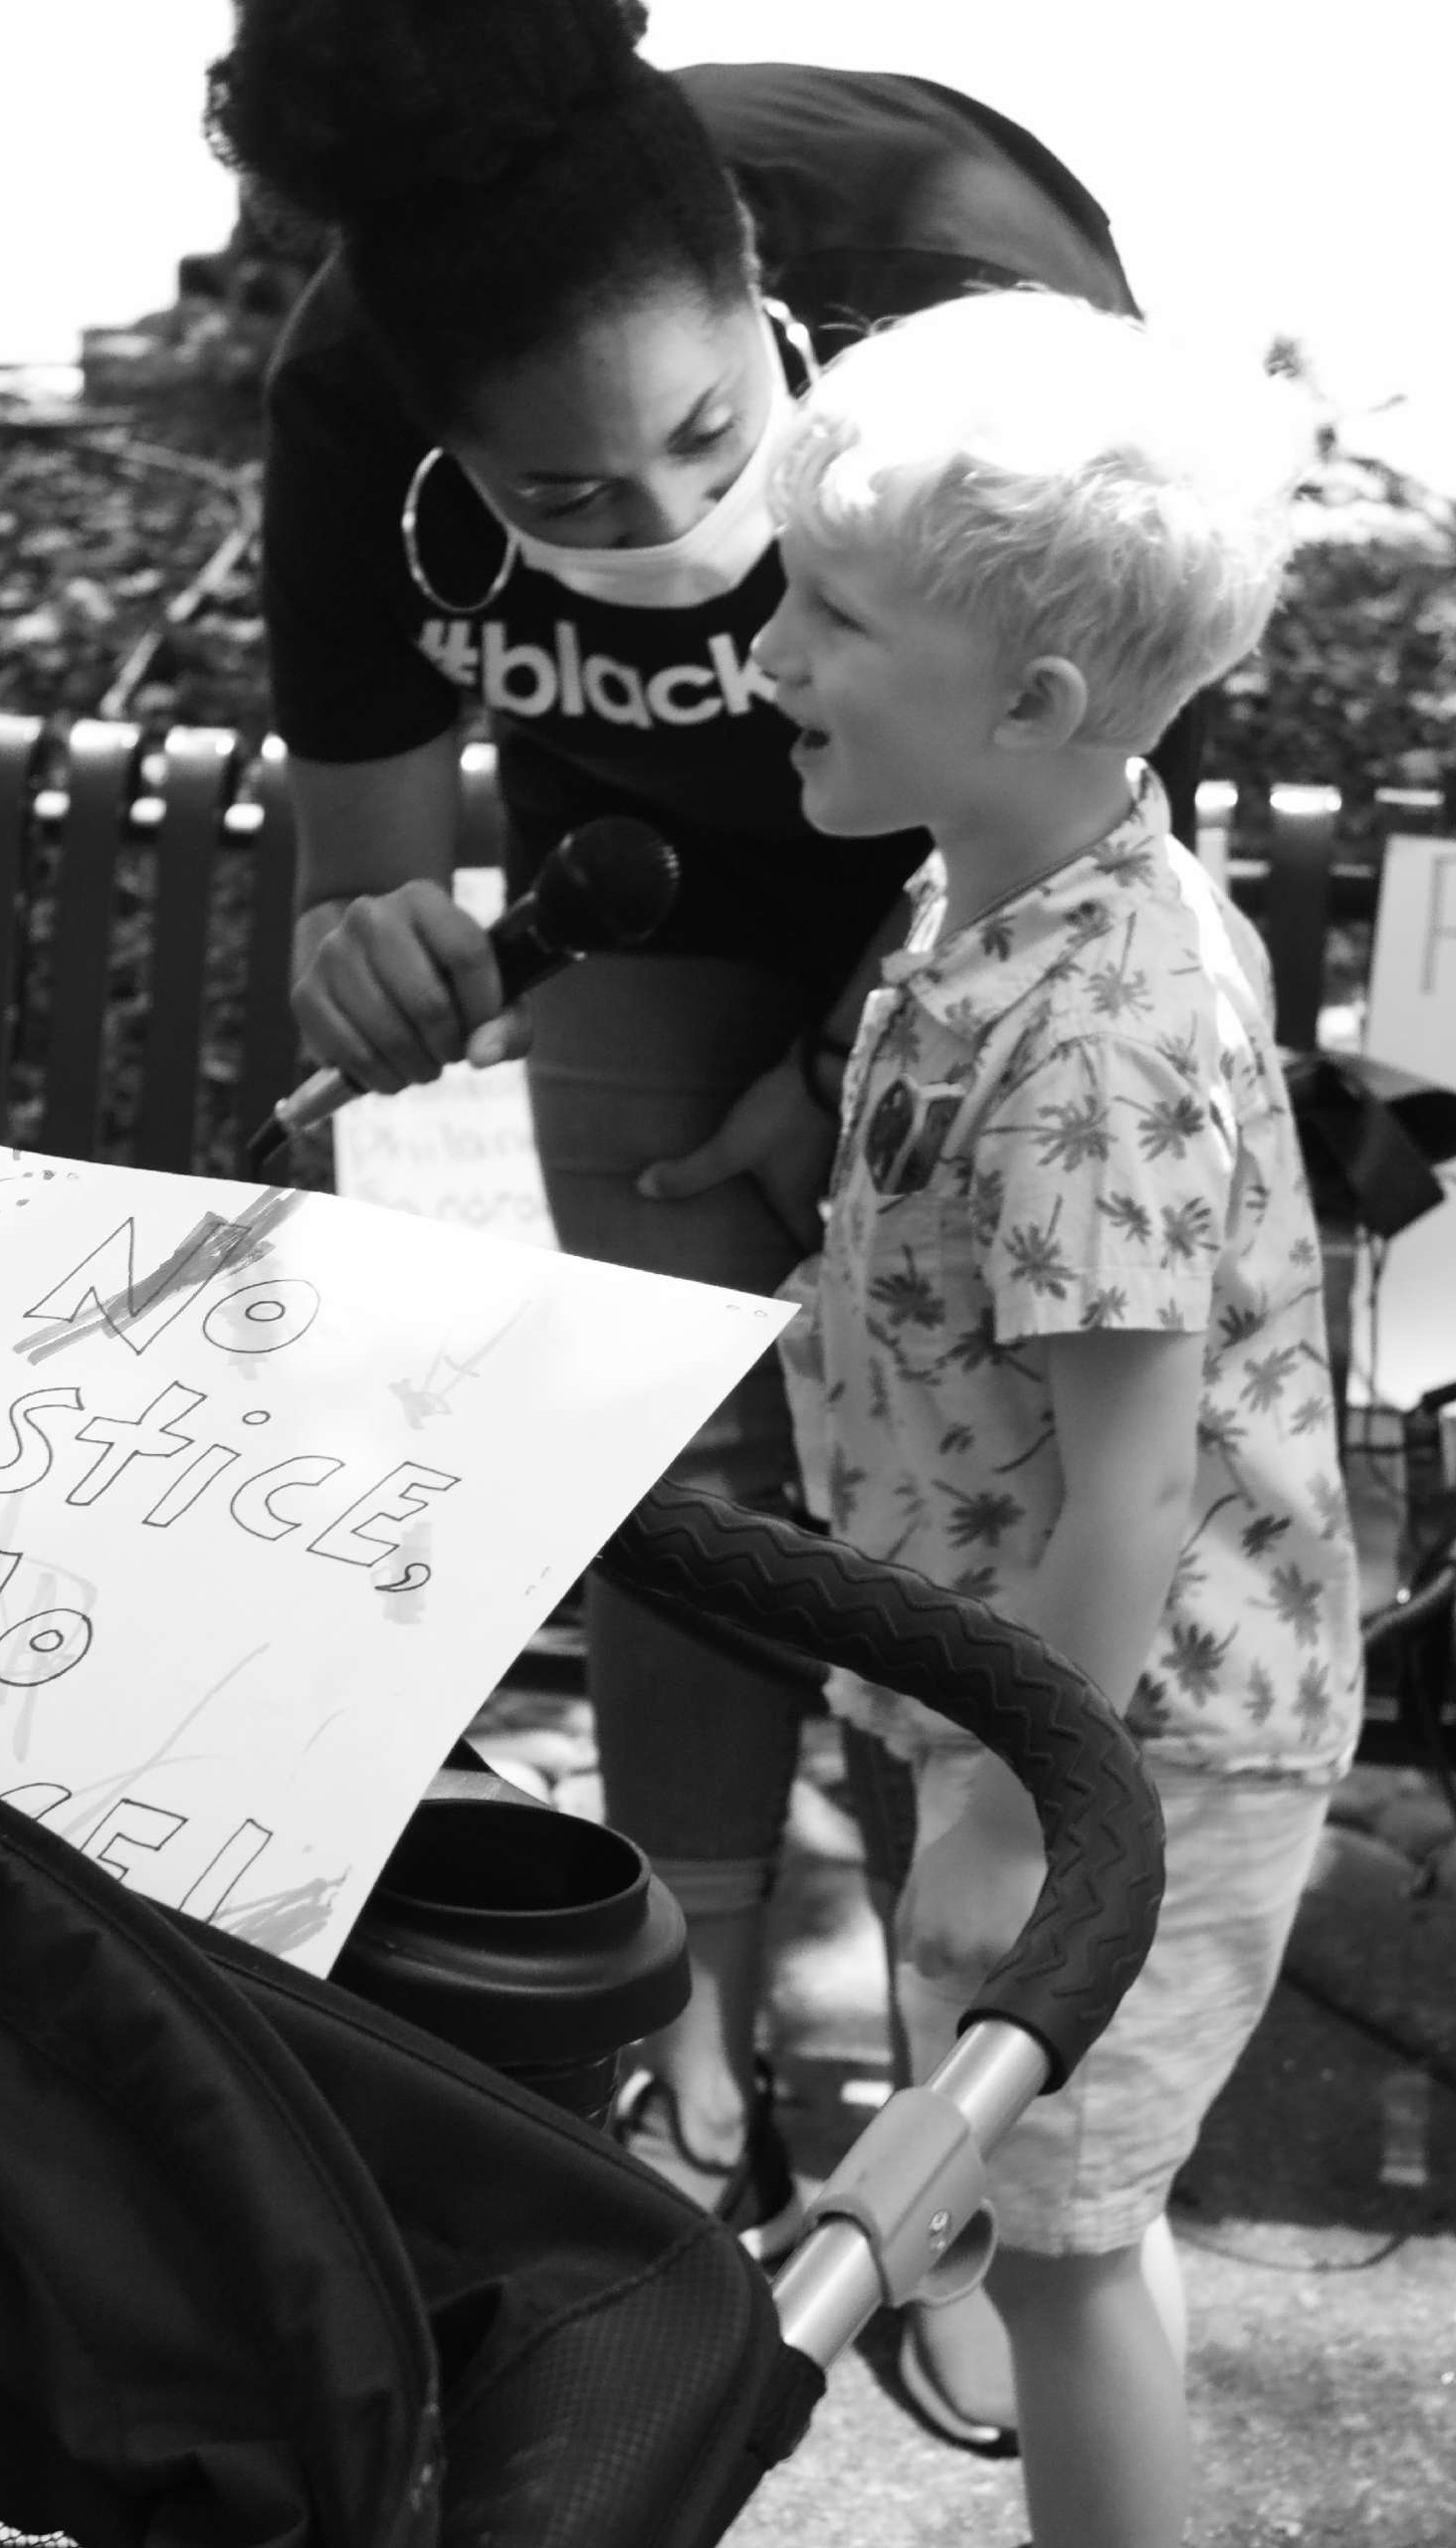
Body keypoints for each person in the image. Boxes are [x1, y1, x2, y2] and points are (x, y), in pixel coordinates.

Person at [204, 0, 1184, 2428]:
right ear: (440, 435)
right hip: (630, 881)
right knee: (671, 1454)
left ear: (773, 298)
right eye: (558, 487)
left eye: (705, 443)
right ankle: (689, 2053)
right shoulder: (350, 395)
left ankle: (960, 2084)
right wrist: (386, 948)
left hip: (977, 882)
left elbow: (1082, 807)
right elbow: (373, 869)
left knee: (950, 1474)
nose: (651, 529)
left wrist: (829, 1072)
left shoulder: (977, 299)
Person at [760, 288, 1361, 2548]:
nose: (766, 658)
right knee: (1069, 2196)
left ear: (1026, 702)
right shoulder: (1004, 887)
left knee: (1070, 2240)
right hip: (1045, 1695)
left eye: (831, 617)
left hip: (1134, 1735)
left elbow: (1128, 1483)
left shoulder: (1100, 1029)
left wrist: (1038, 1810)